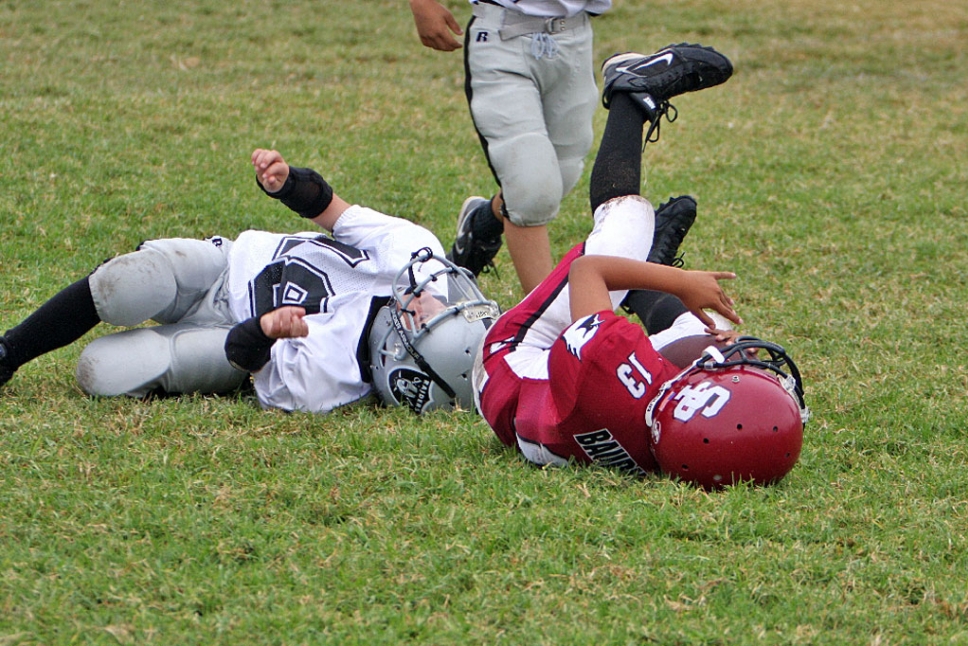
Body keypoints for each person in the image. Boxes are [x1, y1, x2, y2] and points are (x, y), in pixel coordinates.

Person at [471, 44, 810, 489]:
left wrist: (679, 282)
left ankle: (630, 93)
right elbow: (678, 403)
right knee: (699, 335)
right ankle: (647, 277)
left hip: (510, 363)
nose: (729, 370)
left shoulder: (608, 382)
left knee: (628, 227)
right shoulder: (666, 443)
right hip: (574, 395)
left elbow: (589, 273)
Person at [0, 150, 499, 415]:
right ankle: (8, 353)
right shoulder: (416, 255)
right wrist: (288, 183)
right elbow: (330, 207)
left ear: (398, 355)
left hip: (229, 338)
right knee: (127, 283)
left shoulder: (335, 380)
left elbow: (243, 351)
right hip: (229, 266)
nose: (432, 297)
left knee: (102, 371)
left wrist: (266, 328)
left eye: (427, 317)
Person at [409, 0, 610, 294]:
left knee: (560, 177)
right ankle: (543, 323)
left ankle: (482, 226)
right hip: (501, 36)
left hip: (575, 38)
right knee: (531, 191)